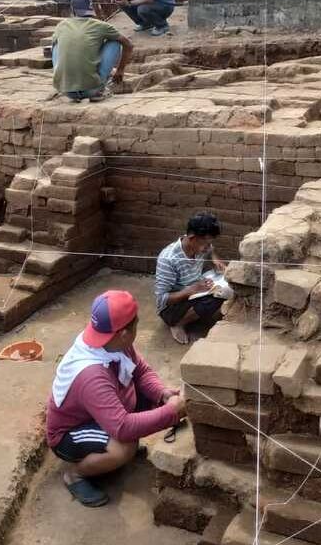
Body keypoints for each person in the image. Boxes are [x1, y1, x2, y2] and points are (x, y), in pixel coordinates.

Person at [46, 290, 186, 507]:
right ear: (124, 333)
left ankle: (109, 454)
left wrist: (163, 393)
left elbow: (141, 371)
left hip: (102, 411)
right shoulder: (91, 374)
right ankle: (75, 475)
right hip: (70, 433)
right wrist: (172, 412)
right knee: (124, 447)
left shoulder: (112, 342)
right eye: (136, 325)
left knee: (155, 400)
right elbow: (122, 427)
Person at [154, 213, 227, 345]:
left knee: (225, 285)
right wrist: (191, 290)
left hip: (194, 290)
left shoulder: (201, 246)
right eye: (206, 243)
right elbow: (162, 299)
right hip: (171, 308)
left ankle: (195, 311)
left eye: (210, 243)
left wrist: (215, 259)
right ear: (192, 238)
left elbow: (211, 250)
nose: (208, 247)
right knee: (213, 300)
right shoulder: (169, 259)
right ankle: (178, 324)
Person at [51, 0, 133, 102]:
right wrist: (120, 70)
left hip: (65, 91)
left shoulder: (61, 25)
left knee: (55, 44)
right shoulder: (101, 26)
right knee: (115, 42)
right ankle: (99, 89)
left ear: (72, 9)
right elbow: (128, 44)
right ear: (91, 8)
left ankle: (64, 79)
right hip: (92, 90)